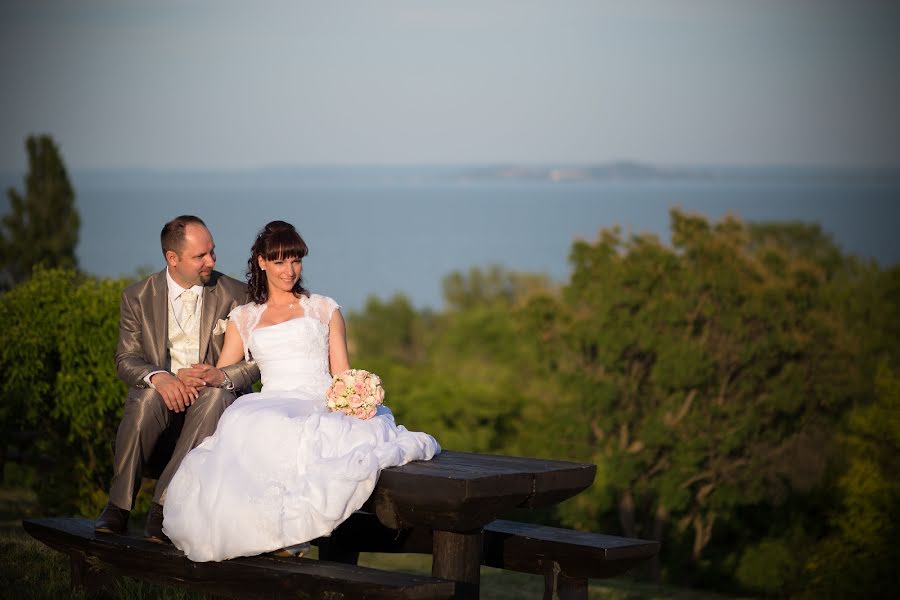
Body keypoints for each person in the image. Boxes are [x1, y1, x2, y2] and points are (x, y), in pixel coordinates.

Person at [162, 221, 440, 562]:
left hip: (319, 398)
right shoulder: (245, 318)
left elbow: (341, 372)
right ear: (262, 263)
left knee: (301, 431)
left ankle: (293, 532)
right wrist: (203, 375)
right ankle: (264, 532)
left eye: (295, 261)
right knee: (251, 421)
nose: (289, 271)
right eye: (279, 262)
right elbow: (224, 370)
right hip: (273, 398)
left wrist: (353, 396)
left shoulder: (324, 309)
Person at [94, 216, 260, 541]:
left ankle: (163, 507)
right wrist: (160, 378)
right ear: (173, 258)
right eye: (201, 256)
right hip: (163, 403)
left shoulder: (238, 294)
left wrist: (219, 376)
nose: (211, 261)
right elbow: (126, 359)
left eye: (212, 252)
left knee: (217, 396)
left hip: (213, 402)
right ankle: (118, 506)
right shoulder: (137, 297)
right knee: (144, 398)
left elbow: (255, 363)